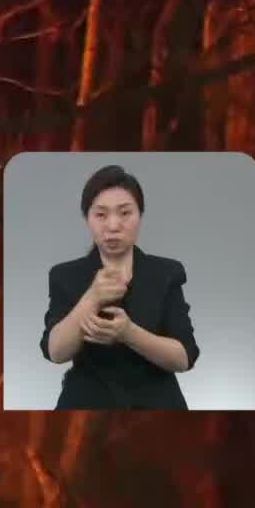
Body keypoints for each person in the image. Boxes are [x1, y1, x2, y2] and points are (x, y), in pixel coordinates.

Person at [40, 164, 201, 409]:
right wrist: (91, 298)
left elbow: (184, 357)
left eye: (125, 213)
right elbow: (56, 352)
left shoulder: (167, 273)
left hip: (157, 403)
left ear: (140, 215)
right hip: (85, 404)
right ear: (87, 219)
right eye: (101, 214)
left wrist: (129, 334)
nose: (113, 225)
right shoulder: (65, 275)